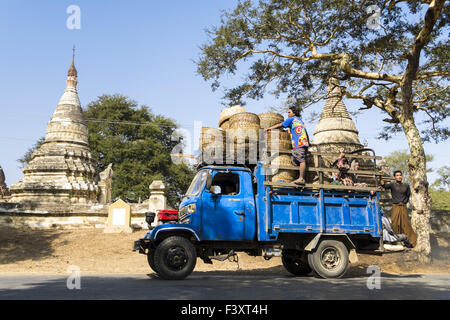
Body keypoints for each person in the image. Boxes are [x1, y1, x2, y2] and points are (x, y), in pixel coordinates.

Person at [266, 107, 310, 185]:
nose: (288, 114)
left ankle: (301, 178)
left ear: (294, 113)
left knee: (301, 160)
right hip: (303, 142)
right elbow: (305, 132)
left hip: (299, 143)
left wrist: (269, 128)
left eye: (289, 112)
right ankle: (298, 177)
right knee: (296, 160)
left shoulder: (291, 119)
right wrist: (308, 143)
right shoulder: (300, 121)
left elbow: (281, 125)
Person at [381, 170, 417, 247]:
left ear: (402, 176)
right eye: (397, 175)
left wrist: (404, 202)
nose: (399, 177)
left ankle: (410, 242)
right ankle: (395, 240)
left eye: (400, 175)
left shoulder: (406, 185)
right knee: (395, 223)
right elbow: (384, 186)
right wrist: (381, 179)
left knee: (405, 224)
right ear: (394, 177)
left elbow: (408, 195)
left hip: (403, 206)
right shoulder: (392, 185)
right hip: (395, 206)